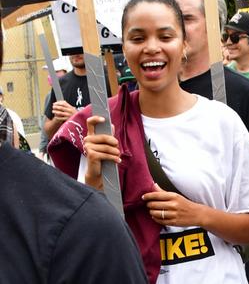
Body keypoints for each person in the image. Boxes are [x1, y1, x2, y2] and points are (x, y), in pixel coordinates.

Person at [48, 0, 249, 284]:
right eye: (138, 38)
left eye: (165, 37)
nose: (152, 48)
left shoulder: (222, 122)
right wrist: (94, 183)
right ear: (123, 48)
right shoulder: (103, 126)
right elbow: (82, 236)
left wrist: (197, 214)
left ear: (184, 44)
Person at [0, 23, 148, 284]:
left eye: (83, 48)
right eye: (74, 49)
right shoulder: (62, 84)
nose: (78, 53)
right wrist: (62, 121)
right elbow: (47, 129)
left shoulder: (104, 78)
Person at [166, 0, 249, 185]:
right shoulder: (153, 89)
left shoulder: (240, 90)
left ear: (213, 27)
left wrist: (227, 164)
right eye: (170, 18)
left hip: (223, 213)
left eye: (187, 18)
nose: (175, 27)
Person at [43, 52, 94, 139]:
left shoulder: (105, 79)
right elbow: (49, 132)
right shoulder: (60, 83)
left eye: (79, 48)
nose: (75, 53)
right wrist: (57, 120)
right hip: (69, 149)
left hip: (97, 149)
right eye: (71, 48)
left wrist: (76, 117)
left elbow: (116, 125)